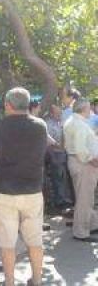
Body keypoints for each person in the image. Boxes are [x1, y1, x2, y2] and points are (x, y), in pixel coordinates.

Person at [0, 87, 48, 286]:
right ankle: (37, 280)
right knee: (35, 240)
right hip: (32, 190)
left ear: (8, 105)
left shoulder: (0, 125)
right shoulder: (40, 125)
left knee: (6, 242)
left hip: (4, 191)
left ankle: (10, 282)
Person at [63, 98, 98, 242]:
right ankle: (81, 232)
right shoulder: (79, 125)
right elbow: (81, 151)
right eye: (89, 108)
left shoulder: (73, 121)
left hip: (78, 162)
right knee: (85, 199)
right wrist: (94, 161)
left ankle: (92, 224)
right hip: (84, 164)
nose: (91, 110)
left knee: (85, 197)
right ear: (84, 109)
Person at [45, 105, 71, 211]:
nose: (60, 115)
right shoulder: (48, 124)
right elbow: (48, 143)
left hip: (63, 154)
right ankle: (59, 202)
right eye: (57, 114)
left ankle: (65, 199)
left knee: (64, 178)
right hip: (54, 155)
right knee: (57, 179)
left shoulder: (60, 122)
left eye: (60, 113)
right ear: (51, 114)